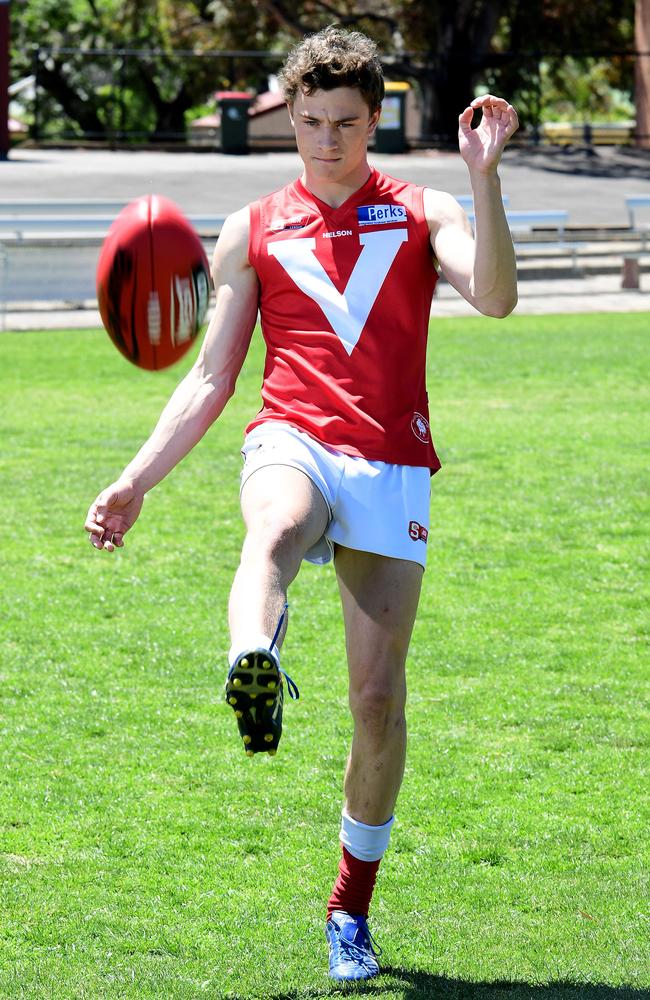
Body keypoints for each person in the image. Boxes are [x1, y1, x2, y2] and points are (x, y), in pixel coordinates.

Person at [85, 25, 518, 982]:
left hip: (392, 460)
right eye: (311, 122)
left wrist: (483, 175)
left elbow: (494, 300)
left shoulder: (421, 210)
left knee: (375, 700)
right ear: (292, 117)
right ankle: (253, 660)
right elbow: (210, 378)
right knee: (273, 527)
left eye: (346, 124)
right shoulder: (252, 229)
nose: (326, 141)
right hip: (294, 436)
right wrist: (135, 478)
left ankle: (349, 910)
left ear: (375, 123)